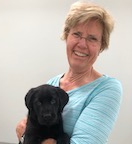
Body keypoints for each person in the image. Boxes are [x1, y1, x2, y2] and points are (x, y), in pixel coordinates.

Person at [16, 1, 122, 144]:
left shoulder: (107, 89)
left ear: (101, 46)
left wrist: (25, 136)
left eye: (92, 38)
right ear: (67, 36)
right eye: (77, 34)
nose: (82, 44)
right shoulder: (52, 84)